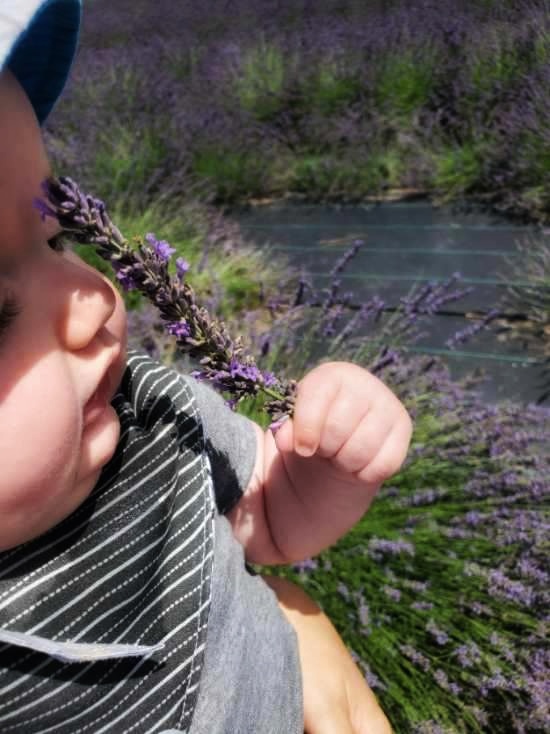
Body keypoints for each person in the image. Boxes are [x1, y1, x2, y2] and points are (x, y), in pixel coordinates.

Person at [0, 2, 412, 732]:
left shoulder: (152, 421)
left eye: (58, 239)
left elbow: (271, 513)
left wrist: (326, 462)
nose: (95, 297)